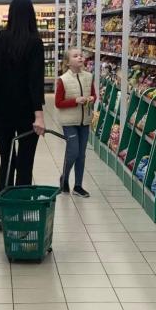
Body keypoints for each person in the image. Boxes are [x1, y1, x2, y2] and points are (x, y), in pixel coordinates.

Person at [0, 0, 45, 228]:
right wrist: (39, 115)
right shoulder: (35, 42)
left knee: (6, 161)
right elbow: (35, 82)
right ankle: (20, 213)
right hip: (25, 111)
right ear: (31, 15)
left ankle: (1, 214)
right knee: (25, 164)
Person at [55, 46, 95, 198]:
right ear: (67, 62)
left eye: (81, 55)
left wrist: (91, 99)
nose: (80, 57)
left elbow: (94, 95)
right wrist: (75, 101)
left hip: (85, 121)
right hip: (69, 122)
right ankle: (64, 177)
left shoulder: (89, 77)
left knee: (81, 155)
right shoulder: (63, 80)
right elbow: (58, 103)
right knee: (73, 151)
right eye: (75, 56)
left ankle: (78, 186)